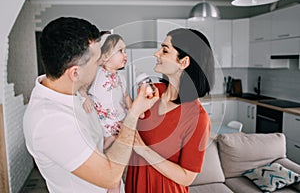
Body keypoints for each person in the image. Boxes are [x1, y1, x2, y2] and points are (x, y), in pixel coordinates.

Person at [23, 17, 159, 193]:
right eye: (96, 62)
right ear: (75, 73)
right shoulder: (50, 122)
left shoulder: (76, 93)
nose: (100, 67)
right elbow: (109, 177)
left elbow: (95, 144)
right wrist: (133, 115)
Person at [125, 28, 215, 193]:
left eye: (165, 50)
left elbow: (187, 176)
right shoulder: (152, 92)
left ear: (183, 62)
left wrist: (143, 150)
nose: (156, 54)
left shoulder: (197, 118)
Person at [78, 32, 139, 193]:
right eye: (120, 51)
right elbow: (80, 87)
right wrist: (85, 97)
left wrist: (136, 114)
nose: (125, 55)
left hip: (120, 128)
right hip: (104, 130)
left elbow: (126, 98)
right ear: (104, 56)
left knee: (115, 172)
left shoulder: (121, 78)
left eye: (125, 51)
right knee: (107, 169)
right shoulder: (95, 74)